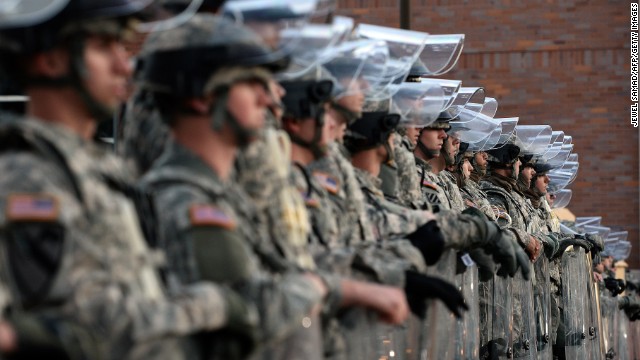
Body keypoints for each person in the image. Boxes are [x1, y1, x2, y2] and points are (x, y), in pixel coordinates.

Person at [137, 15, 410, 360]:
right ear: (202, 97)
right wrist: (335, 288)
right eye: (252, 83)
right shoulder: (184, 201)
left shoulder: (226, 197)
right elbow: (249, 307)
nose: (271, 99)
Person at [0, 2, 260, 359]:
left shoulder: (100, 168)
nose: (124, 65)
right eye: (104, 47)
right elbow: (95, 327)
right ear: (50, 60)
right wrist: (214, 305)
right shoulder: (32, 177)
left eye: (123, 47)